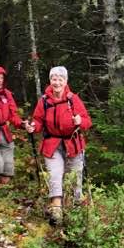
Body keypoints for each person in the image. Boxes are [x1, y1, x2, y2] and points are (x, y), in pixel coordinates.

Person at [25, 66, 92, 224]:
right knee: (55, 175)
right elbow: (38, 120)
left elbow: (87, 121)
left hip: (73, 144)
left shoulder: (73, 99)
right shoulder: (44, 101)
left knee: (75, 178)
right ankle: (56, 213)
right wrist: (33, 126)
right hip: (52, 144)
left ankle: (76, 211)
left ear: (65, 81)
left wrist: (80, 121)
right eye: (54, 79)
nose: (57, 82)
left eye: (60, 79)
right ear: (50, 81)